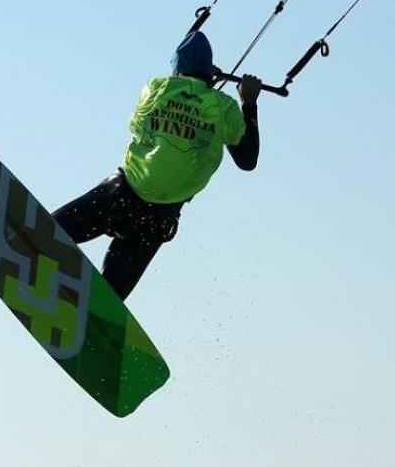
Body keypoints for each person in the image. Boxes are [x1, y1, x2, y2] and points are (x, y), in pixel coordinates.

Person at [53, 31, 262, 300]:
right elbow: (247, 161)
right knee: (109, 297)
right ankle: (89, 310)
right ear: (209, 72)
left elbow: (180, 93)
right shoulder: (225, 108)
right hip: (156, 220)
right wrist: (249, 103)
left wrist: (203, 80)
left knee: (50, 231)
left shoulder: (155, 88)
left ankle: (40, 264)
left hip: (121, 194)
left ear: (177, 69)